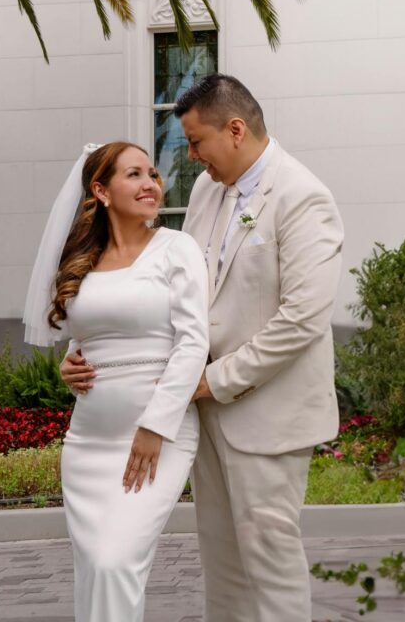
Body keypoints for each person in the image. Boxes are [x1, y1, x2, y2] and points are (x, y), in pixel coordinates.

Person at [62, 74, 345, 621]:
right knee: (222, 563)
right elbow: (181, 299)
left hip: (266, 413)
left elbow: (303, 318)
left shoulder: (303, 196)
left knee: (269, 558)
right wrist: (89, 353)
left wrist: (213, 379)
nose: (188, 157)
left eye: (196, 141)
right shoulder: (207, 190)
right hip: (203, 415)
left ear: (235, 130)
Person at [23, 141, 209, 622]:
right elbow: (84, 333)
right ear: (101, 191)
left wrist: (156, 425)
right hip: (87, 442)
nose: (150, 183)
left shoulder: (177, 248)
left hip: (155, 438)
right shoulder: (81, 262)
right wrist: (69, 363)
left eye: (152, 173)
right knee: (93, 571)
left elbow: (193, 343)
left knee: (114, 563)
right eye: (134, 175)